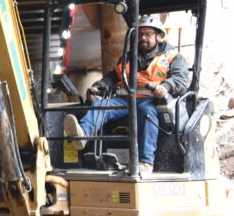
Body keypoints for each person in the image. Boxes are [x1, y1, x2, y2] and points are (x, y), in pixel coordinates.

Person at [63, 15, 190, 176]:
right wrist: (98, 86)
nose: (143, 38)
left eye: (148, 34)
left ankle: (145, 162)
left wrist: (166, 86)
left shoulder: (172, 56)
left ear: (158, 35)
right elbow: (112, 76)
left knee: (146, 113)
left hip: (153, 101)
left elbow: (181, 79)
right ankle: (82, 136)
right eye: (140, 34)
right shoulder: (128, 57)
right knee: (100, 105)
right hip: (126, 100)